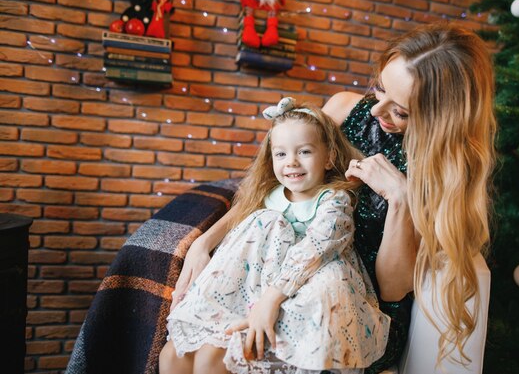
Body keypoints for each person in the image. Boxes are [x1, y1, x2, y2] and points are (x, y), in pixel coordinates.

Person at [171, 22, 496, 372]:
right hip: (289, 263)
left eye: (399, 111)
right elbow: (273, 188)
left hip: (347, 301)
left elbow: (391, 289)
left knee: (221, 359)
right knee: (177, 355)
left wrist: (400, 199)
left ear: (440, 118)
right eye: (379, 88)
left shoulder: (441, 173)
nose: (376, 110)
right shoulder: (345, 109)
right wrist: (205, 243)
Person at [159, 97, 390, 374]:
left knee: (211, 361)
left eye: (304, 152)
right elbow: (237, 251)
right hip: (252, 286)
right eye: (281, 154)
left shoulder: (333, 200)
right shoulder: (268, 198)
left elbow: (317, 247)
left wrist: (270, 299)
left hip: (303, 282)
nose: (291, 162)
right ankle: (217, 319)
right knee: (172, 356)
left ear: (328, 158)